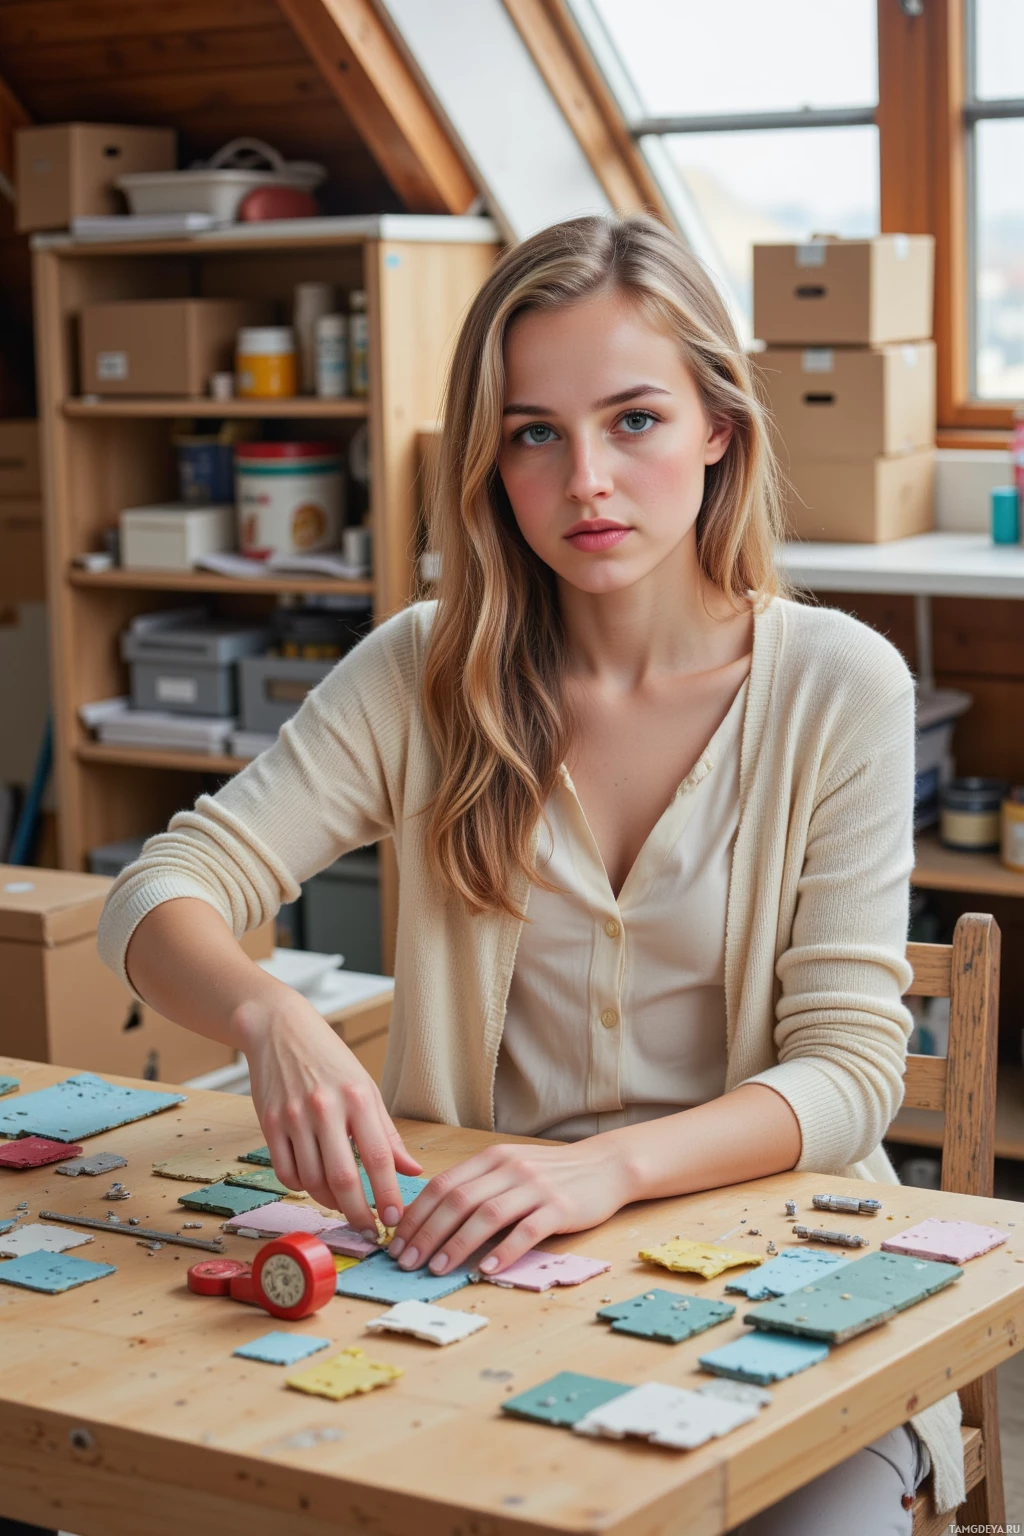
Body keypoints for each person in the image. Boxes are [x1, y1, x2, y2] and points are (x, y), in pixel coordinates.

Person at [98, 214, 962, 1532]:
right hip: (471, 1285)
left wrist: (606, 1172)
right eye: (534, 433)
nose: (588, 482)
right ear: (491, 460)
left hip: (789, 1296)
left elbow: (848, 1072)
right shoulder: (423, 668)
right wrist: (265, 1011)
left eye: (635, 420)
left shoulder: (841, 683)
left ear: (718, 427)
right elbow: (164, 889)